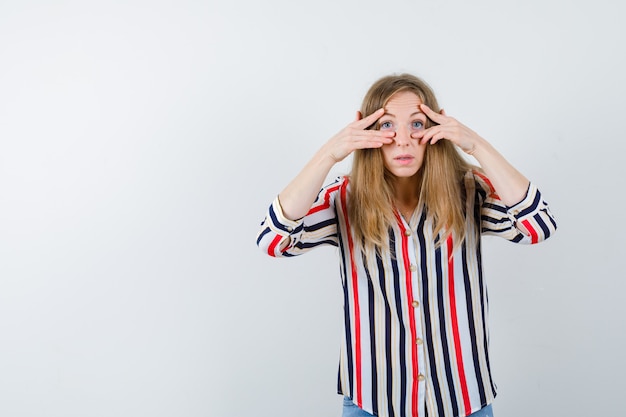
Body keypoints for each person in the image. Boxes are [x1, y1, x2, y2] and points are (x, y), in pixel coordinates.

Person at [256, 74, 556, 417]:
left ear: (438, 127)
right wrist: (330, 153)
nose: (402, 141)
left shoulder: (471, 191)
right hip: (373, 402)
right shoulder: (343, 199)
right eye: (386, 125)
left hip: (462, 401)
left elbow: (539, 225)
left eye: (417, 123)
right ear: (365, 132)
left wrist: (474, 144)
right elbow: (274, 239)